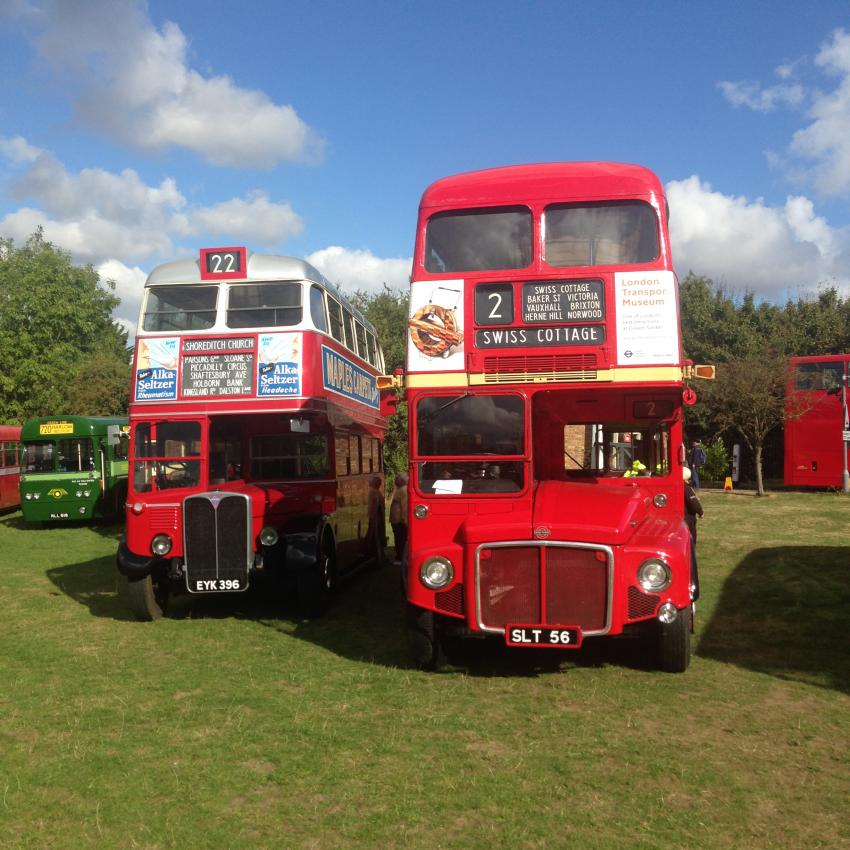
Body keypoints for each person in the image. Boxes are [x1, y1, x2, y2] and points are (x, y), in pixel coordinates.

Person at [683, 466, 704, 600]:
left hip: (680, 518)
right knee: (690, 541)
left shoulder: (676, 487)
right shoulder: (686, 488)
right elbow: (693, 502)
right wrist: (701, 512)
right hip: (687, 520)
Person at [388, 473, 408, 565]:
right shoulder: (400, 490)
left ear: (401, 480)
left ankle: (400, 558)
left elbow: (404, 507)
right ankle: (399, 557)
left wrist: (404, 520)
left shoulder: (403, 490)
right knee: (398, 538)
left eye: (397, 478)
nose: (395, 480)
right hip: (397, 521)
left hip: (400, 521)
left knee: (400, 539)